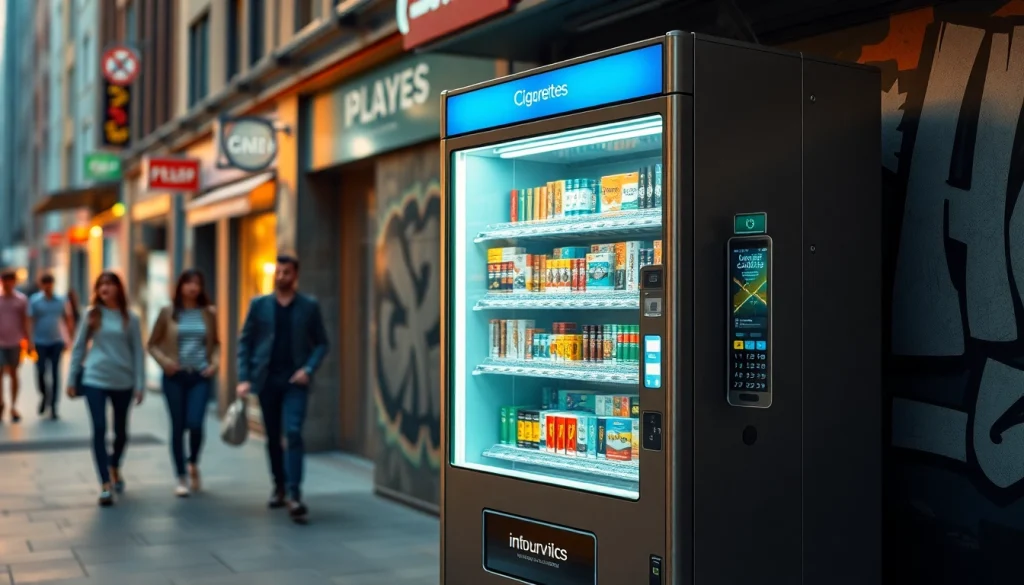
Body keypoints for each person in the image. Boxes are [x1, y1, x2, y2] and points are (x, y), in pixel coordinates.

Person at [237, 255, 329, 523]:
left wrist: (308, 369)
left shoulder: (309, 306)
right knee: (273, 437)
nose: (280, 277)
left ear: (295, 275)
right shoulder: (259, 305)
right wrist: (244, 377)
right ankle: (278, 485)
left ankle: (294, 493)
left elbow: (322, 343)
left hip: (295, 383)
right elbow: (245, 342)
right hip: (266, 380)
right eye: (277, 272)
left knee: (294, 432)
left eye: (286, 272)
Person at [66, 271, 145, 507]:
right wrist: (71, 379)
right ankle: (104, 484)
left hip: (123, 380)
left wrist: (140, 384)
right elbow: (79, 347)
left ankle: (115, 465)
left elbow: (138, 352)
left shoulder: (130, 318)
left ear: (118, 288)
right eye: (101, 284)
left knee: (121, 432)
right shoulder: (92, 315)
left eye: (109, 284)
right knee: (99, 428)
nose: (105, 288)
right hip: (95, 379)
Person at [148, 269, 219, 498]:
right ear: (180, 286)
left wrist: (214, 365)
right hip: (174, 377)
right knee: (178, 426)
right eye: (189, 283)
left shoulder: (209, 313)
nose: (193, 287)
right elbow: (152, 344)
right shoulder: (167, 312)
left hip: (200, 376)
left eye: (197, 283)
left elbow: (216, 344)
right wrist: (165, 363)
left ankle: (193, 462)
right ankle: (181, 476)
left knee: (195, 423)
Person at [29, 274, 73, 419]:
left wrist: (68, 338)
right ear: (41, 285)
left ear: (53, 284)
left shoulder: (61, 300)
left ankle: (53, 405)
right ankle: (44, 395)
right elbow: (30, 320)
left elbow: (68, 318)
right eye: (45, 283)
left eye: (50, 283)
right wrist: (29, 341)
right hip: (40, 341)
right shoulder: (35, 301)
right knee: (41, 371)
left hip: (56, 341)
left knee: (55, 373)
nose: (48, 286)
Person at [0, 269, 31, 423]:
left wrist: (29, 341)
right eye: (5, 281)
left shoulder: (21, 300)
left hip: (15, 341)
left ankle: (13, 406)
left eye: (10, 281)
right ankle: (1, 403)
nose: (8, 284)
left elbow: (26, 321)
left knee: (13, 373)